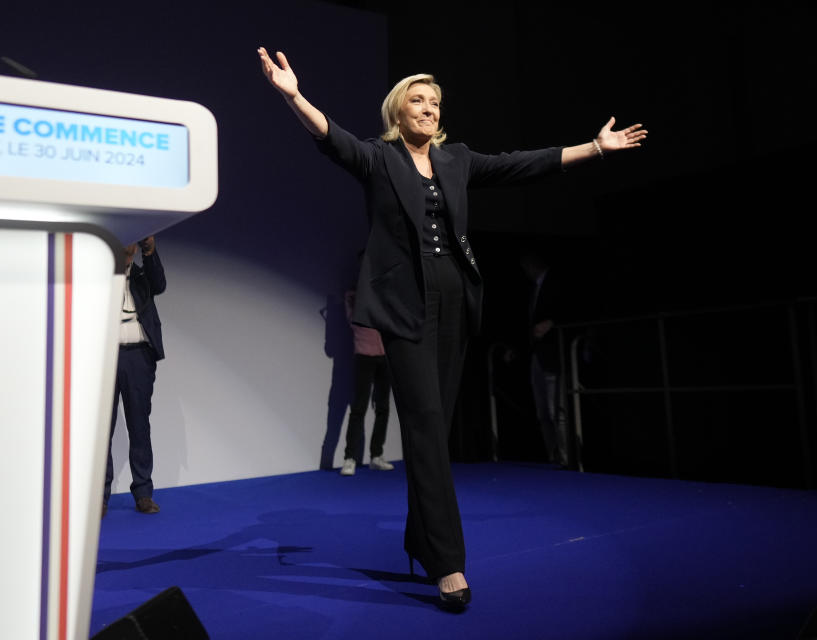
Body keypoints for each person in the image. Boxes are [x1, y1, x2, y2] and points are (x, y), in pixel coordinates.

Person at [257, 46, 647, 609]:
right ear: (398, 111)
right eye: (418, 100)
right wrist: (294, 95)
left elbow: (520, 164)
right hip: (404, 308)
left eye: (435, 102)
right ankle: (448, 562)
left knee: (431, 433)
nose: (429, 109)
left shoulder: (457, 160)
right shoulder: (378, 158)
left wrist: (595, 148)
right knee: (426, 422)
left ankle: (420, 537)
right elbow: (330, 137)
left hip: (455, 301)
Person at [103, 236, 166, 518]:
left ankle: (143, 493)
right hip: (105, 358)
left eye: (130, 246)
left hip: (139, 357)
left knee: (139, 426)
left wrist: (150, 251)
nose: (126, 251)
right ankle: (100, 498)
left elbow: (160, 284)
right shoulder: (100, 277)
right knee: (102, 429)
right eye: (121, 246)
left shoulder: (142, 276)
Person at [520, 251, 569, 468]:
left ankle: (566, 456)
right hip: (537, 354)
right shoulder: (533, 289)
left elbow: (571, 308)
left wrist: (552, 323)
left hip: (553, 354)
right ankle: (553, 455)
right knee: (543, 410)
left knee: (556, 408)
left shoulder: (557, 282)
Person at [340, 286, 394, 476]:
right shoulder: (355, 297)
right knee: (358, 408)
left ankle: (376, 455)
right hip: (364, 356)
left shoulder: (383, 298)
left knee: (383, 408)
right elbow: (351, 313)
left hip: (384, 357)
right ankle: (350, 458)